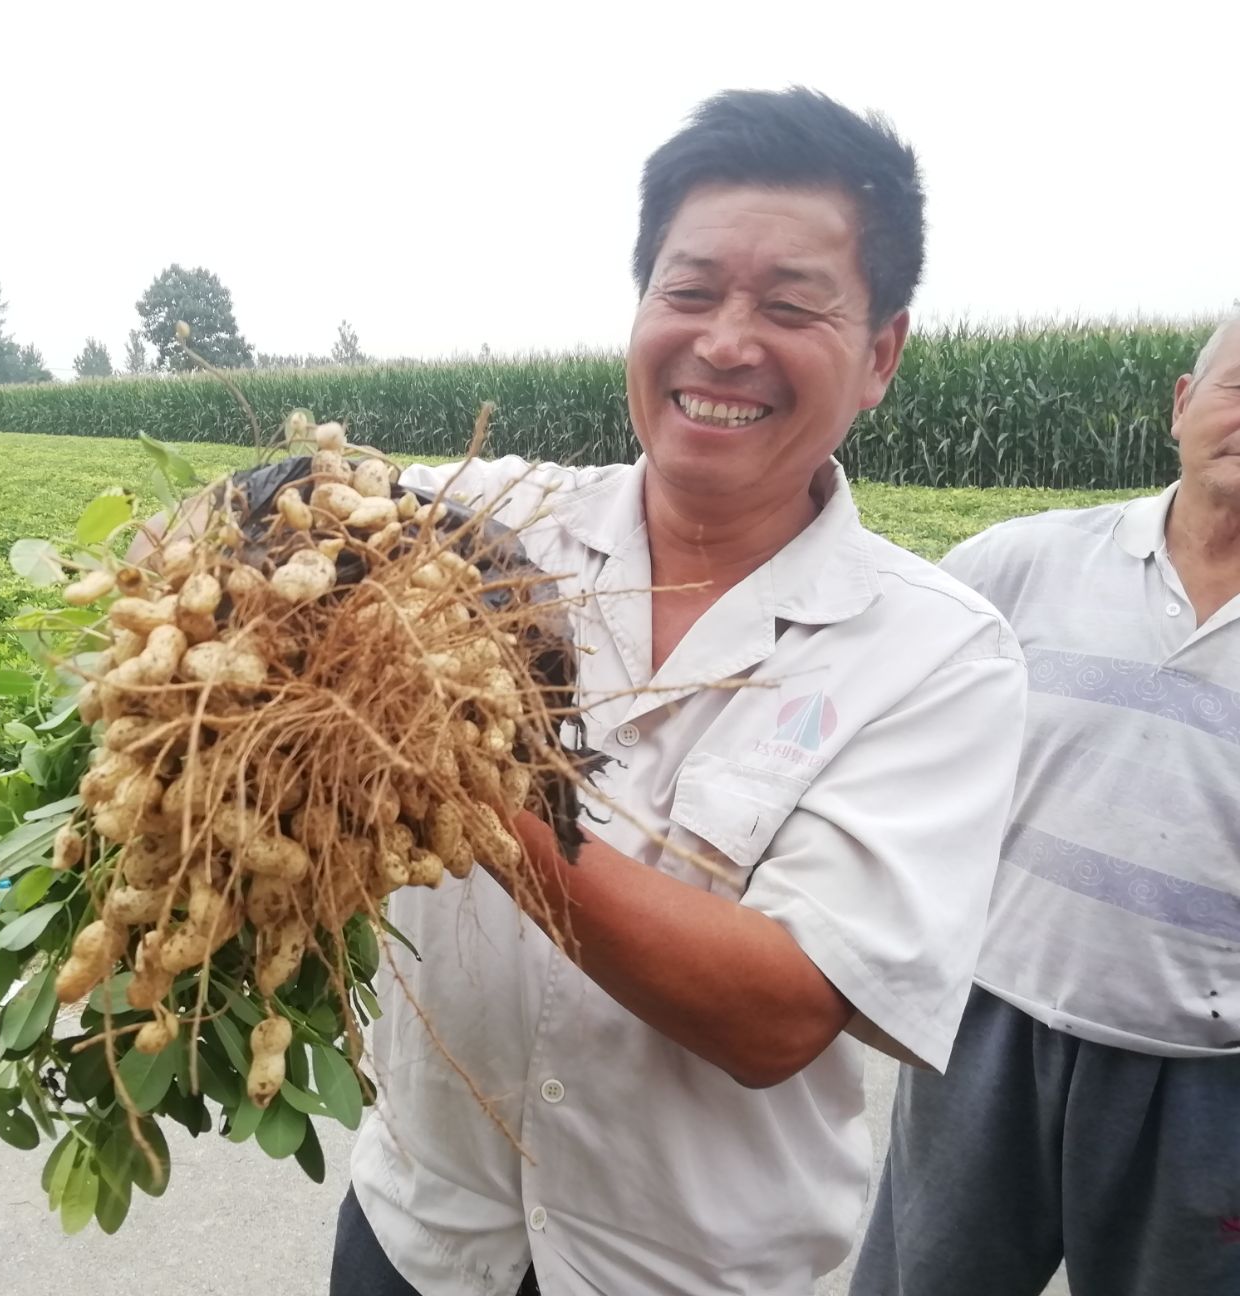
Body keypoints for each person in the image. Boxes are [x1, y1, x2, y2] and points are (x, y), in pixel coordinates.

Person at [331, 88, 1027, 1296]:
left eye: (790, 304)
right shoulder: (487, 521)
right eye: (690, 290)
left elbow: (781, 1014)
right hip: (422, 1236)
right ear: (641, 306)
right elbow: (283, 529)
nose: (724, 342)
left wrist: (478, 790)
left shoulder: (935, 653)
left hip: (689, 1272)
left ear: (881, 355)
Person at [849, 318, 1240, 1296]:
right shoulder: (1019, 564)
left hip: (1205, 1076)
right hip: (988, 1026)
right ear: (1183, 405)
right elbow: (874, 713)